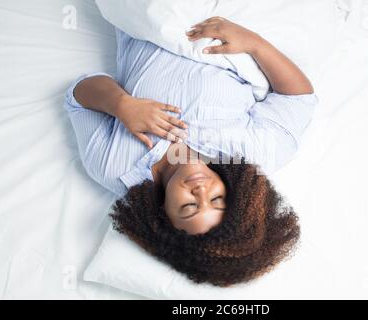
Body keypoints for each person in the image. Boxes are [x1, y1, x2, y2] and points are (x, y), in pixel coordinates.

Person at [64, 17, 317, 286]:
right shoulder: (250, 154)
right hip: (235, 18)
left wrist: (122, 105)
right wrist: (255, 44)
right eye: (217, 199)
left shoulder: (113, 167)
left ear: (163, 213)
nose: (201, 191)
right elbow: (298, 98)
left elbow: (78, 95)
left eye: (188, 206)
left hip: (154, 17)